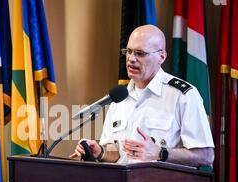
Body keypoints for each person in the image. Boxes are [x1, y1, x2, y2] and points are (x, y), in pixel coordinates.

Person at [70, 25, 214, 167]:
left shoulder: (183, 95)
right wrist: (100, 152)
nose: (131, 59)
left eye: (140, 53)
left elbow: (206, 156)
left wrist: (161, 153)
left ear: (161, 56)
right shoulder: (119, 98)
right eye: (129, 51)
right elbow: (118, 153)